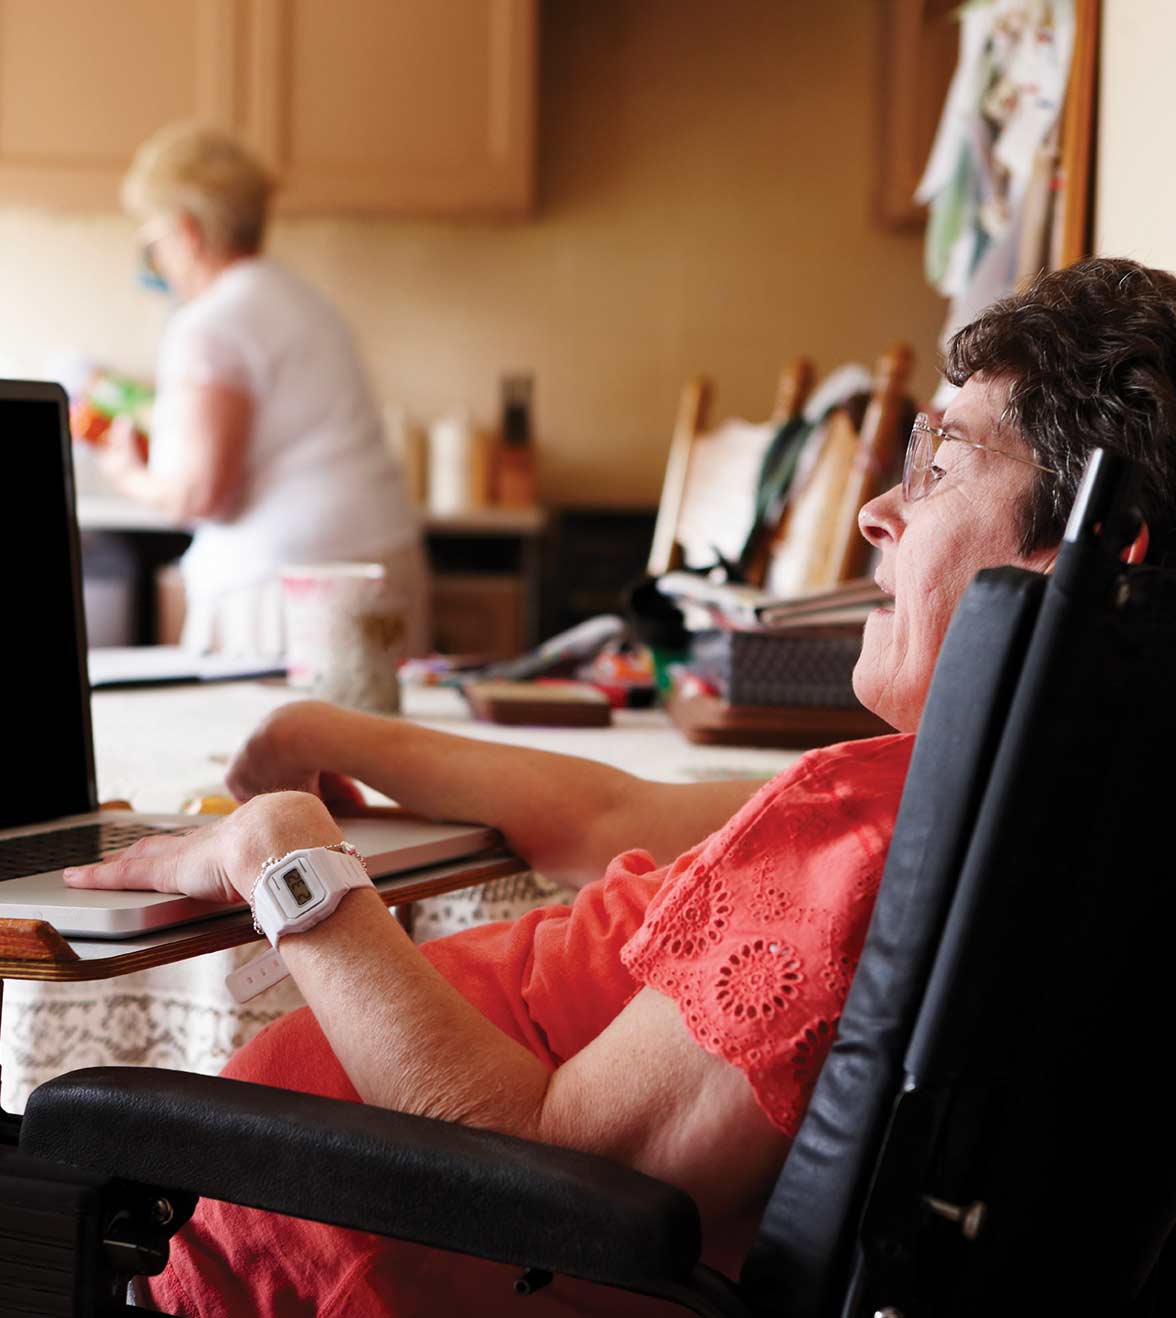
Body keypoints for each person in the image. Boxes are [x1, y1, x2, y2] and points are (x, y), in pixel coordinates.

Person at [67, 257, 1176, 1316]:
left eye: (941, 464)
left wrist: (282, 856)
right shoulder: (957, 801)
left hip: (329, 1255)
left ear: (1095, 551)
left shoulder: (871, 847)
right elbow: (615, 818)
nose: (880, 511)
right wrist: (327, 733)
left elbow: (542, 1173)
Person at [101, 122, 427, 657]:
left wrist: (130, 476)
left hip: (291, 590)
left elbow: (204, 494)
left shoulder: (210, 322)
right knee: (384, 737)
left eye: (155, 241)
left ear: (187, 232)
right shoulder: (300, 299)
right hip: (382, 561)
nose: (159, 260)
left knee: (275, 740)